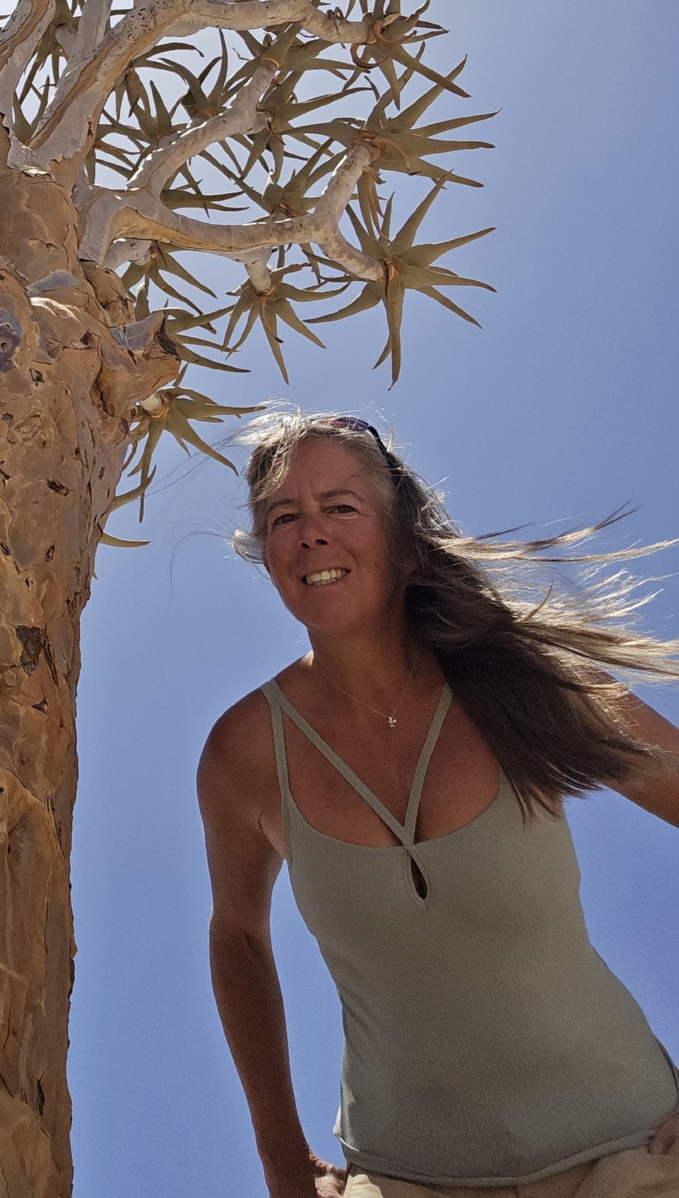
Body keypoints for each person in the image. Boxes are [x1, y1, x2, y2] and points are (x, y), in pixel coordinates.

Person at [198, 410, 679, 1198]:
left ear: (405, 541)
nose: (310, 533)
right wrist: (284, 1165)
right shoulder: (245, 753)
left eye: (340, 507)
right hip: (407, 1179)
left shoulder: (528, 683)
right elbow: (238, 938)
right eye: (283, 518)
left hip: (633, 1152)